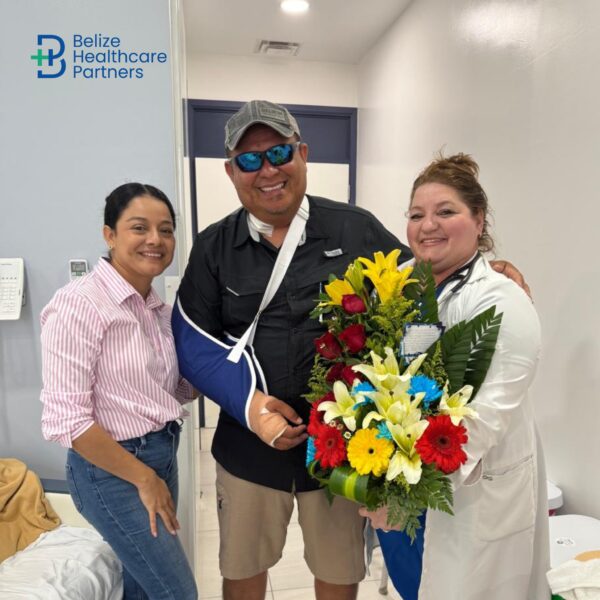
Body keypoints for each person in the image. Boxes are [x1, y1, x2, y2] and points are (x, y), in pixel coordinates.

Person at [172, 101, 529, 600]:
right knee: (243, 568)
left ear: (303, 154)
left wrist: (487, 269)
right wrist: (250, 407)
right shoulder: (213, 247)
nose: (268, 170)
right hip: (248, 447)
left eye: (279, 153)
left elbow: (422, 281)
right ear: (231, 172)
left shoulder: (354, 228)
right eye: (250, 160)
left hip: (344, 448)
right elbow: (192, 343)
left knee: (339, 573)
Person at [360, 154, 550, 600]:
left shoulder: (503, 302)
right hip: (400, 486)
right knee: (414, 587)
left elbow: (480, 422)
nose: (428, 225)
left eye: (446, 211)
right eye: (416, 215)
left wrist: (399, 493)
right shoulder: (399, 284)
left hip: (460, 493)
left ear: (479, 220)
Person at [40, 183, 198, 600]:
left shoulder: (159, 311)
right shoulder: (79, 305)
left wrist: (218, 365)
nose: (155, 240)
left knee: (143, 588)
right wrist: (144, 479)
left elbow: (171, 391)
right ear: (109, 235)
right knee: (178, 593)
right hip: (111, 470)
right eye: (139, 228)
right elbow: (68, 421)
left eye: (166, 230)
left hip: (161, 454)